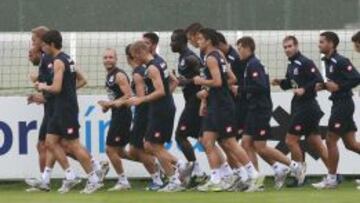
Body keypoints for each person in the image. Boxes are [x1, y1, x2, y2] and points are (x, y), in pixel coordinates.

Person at [128, 41, 186, 192]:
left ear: (140, 52)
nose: (135, 61)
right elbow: (173, 82)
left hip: (160, 109)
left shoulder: (152, 67)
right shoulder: (160, 62)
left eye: (135, 57)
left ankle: (179, 170)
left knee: (153, 145)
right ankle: (175, 175)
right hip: (162, 107)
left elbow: (160, 91)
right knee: (149, 145)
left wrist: (142, 99)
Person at [272, 35, 329, 186]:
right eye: (285, 47)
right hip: (302, 107)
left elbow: (318, 80)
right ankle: (334, 174)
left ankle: (299, 175)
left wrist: (305, 89)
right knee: (315, 142)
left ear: (297, 46)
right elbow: (291, 84)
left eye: (290, 46)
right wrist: (280, 82)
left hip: (306, 107)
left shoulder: (305, 62)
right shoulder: (291, 65)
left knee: (290, 140)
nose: (287, 49)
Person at [313, 31, 360, 189]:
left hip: (343, 105)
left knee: (330, 139)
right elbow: (335, 83)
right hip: (339, 104)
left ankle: (332, 178)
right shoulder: (327, 61)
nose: (319, 45)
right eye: (319, 42)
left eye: (322, 42)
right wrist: (325, 86)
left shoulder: (340, 60)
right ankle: (332, 178)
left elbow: (356, 77)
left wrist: (339, 87)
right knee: (351, 145)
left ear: (331, 44)